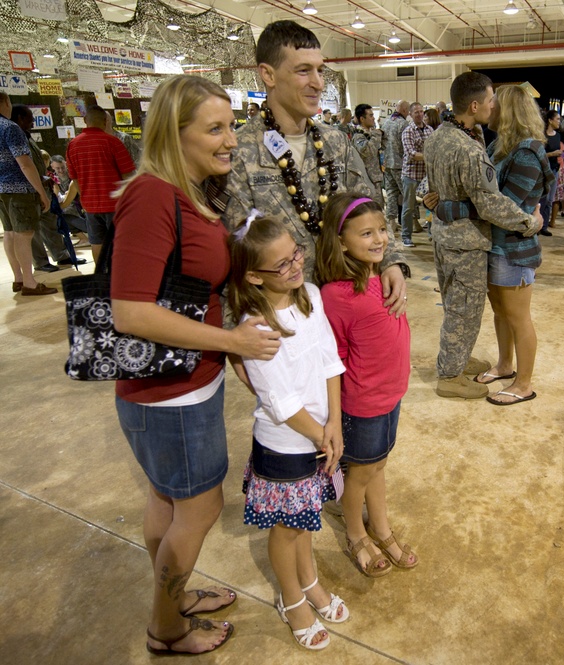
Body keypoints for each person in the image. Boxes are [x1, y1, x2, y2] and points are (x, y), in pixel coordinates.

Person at [110, 75, 282, 655]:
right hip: (170, 391)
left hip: (184, 382)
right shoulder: (154, 195)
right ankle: (167, 626)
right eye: (215, 128)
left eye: (232, 124)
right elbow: (130, 312)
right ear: (173, 133)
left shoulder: (189, 191)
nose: (231, 138)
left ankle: (171, 600)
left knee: (167, 498)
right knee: (200, 505)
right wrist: (230, 341)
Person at [223, 20, 407, 311]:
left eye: (320, 70)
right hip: (281, 315)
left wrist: (391, 261)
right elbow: (235, 251)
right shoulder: (240, 152)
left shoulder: (335, 142)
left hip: (345, 299)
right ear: (268, 74)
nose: (318, 83)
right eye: (303, 71)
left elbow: (368, 209)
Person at [228, 216, 349, 650]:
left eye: (296, 253)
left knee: (305, 522)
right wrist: (320, 435)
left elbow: (331, 362)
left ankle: (311, 582)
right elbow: (279, 402)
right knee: (286, 529)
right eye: (282, 265)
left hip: (320, 435)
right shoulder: (256, 326)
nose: (296, 266)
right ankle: (292, 598)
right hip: (286, 445)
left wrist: (334, 423)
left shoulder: (311, 296)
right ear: (253, 276)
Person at [315, 193, 418, 576]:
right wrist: (334, 417)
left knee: (379, 464)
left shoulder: (377, 273)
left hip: (392, 394)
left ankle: (381, 525)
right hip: (363, 402)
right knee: (359, 472)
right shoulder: (335, 295)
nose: (378, 239)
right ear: (341, 241)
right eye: (366, 233)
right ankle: (357, 532)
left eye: (382, 230)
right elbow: (333, 362)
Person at [423, 72, 543, 399]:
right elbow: (490, 204)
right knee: (464, 311)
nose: (493, 106)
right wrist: (529, 223)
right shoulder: (472, 148)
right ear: (474, 105)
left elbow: (427, 184)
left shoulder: (437, 137)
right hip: (468, 242)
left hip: (445, 238)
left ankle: (456, 361)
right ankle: (450, 375)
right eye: (491, 100)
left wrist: (432, 202)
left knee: (455, 306)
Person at [469, 84, 552, 405]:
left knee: (518, 317)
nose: (487, 106)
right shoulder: (503, 147)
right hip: (497, 246)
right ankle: (505, 365)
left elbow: (505, 207)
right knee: (501, 313)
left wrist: (461, 206)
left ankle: (524, 383)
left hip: (515, 250)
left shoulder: (528, 153)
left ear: (507, 111)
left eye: (493, 102)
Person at [7, 104, 82, 272]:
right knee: (32, 230)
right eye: (29, 118)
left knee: (50, 223)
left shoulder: (26, 136)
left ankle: (61, 255)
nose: (33, 121)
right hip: (28, 189)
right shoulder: (14, 136)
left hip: (42, 187)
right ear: (20, 118)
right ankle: (41, 263)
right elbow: (21, 165)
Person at [1, 92, 56, 296]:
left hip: (1, 189)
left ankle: (19, 278)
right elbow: (25, 163)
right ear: (6, 102)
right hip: (18, 188)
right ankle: (29, 283)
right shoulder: (10, 127)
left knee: (9, 232)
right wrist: (41, 192)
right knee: (24, 235)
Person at [65, 105, 136, 262]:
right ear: (105, 121)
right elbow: (128, 175)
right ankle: (120, 279)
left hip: (90, 205)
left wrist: (84, 197)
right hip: (115, 204)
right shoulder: (113, 142)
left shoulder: (72, 145)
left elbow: (74, 178)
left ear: (85, 120)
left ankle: (102, 279)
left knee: (97, 243)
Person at [400, 103, 433, 247]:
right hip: (411, 175)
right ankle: (406, 236)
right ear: (411, 114)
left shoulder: (430, 130)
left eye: (421, 112)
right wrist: (430, 157)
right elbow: (411, 153)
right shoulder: (407, 131)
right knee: (408, 207)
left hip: (427, 176)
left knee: (431, 205)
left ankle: (432, 234)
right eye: (416, 112)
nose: (419, 114)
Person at [381, 100, 410, 231]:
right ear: (404, 110)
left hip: (388, 164)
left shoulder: (385, 122)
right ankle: (411, 223)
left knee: (391, 193)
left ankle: (391, 223)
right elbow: (406, 146)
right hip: (401, 165)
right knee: (407, 195)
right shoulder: (403, 124)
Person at [352, 103, 385, 206]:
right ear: (362, 119)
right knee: (371, 209)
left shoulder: (371, 133)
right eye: (370, 115)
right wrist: (376, 135)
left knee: (379, 207)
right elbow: (367, 151)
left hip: (376, 178)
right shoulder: (358, 136)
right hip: (366, 181)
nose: (373, 118)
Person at [539, 109, 563, 235]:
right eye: (557, 119)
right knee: (543, 198)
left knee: (549, 200)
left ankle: (544, 226)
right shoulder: (542, 136)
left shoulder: (558, 136)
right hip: (543, 170)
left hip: (554, 169)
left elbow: (560, 155)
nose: (559, 121)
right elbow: (539, 154)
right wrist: (552, 154)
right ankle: (537, 224)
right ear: (550, 120)